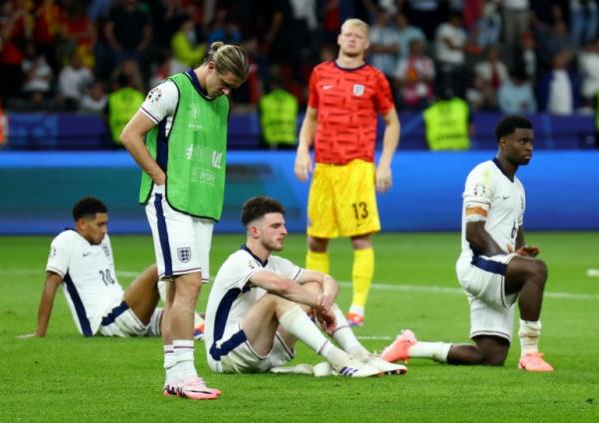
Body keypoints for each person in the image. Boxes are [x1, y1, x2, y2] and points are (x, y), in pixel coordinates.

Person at [120, 42, 249, 400]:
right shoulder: (171, 90)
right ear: (210, 66)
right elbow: (130, 134)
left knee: (180, 290)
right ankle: (187, 373)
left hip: (201, 203)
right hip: (170, 201)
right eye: (224, 82)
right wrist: (159, 177)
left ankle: (174, 378)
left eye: (232, 88)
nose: (226, 92)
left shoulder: (220, 103)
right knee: (189, 284)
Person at [381, 115, 554, 372]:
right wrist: (511, 262)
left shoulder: (518, 187)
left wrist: (518, 255)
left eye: (531, 142)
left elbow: (515, 232)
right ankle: (530, 353)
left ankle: (410, 347)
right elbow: (474, 233)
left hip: (495, 267)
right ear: (504, 143)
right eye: (522, 141)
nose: (529, 147)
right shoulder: (483, 174)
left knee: (489, 356)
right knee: (537, 269)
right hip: (477, 264)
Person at [204, 196, 406, 378]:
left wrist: (324, 296)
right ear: (254, 231)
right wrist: (318, 305)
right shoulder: (238, 261)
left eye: (283, 225)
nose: (284, 231)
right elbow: (281, 286)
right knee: (277, 296)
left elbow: (326, 278)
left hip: (264, 349)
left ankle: (359, 354)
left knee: (313, 285)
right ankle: (339, 360)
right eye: (275, 226)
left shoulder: (277, 263)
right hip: (225, 354)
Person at [294, 18, 401, 327]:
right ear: (339, 38)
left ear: (366, 44)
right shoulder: (320, 73)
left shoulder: (375, 79)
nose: (352, 39)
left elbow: (392, 122)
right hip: (324, 167)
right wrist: (303, 149)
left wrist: (385, 163)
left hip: (357, 166)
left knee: (360, 238)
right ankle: (316, 304)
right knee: (316, 241)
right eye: (347, 34)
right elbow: (311, 116)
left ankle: (357, 309)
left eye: (359, 36)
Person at [18, 197, 163, 338]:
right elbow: (51, 284)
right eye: (100, 225)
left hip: (125, 309)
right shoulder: (65, 241)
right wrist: (40, 332)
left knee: (182, 318)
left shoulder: (104, 240)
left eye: (106, 224)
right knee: (161, 268)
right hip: (107, 320)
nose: (105, 229)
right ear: (81, 224)